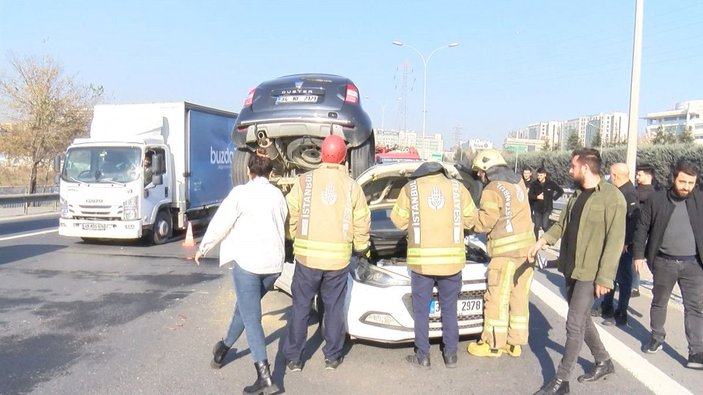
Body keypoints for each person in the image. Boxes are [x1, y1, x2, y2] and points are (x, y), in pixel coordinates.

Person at [528, 148, 626, 394]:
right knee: (582, 319)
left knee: (573, 324)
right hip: (571, 268)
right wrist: (542, 241)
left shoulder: (612, 198)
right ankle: (603, 361)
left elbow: (615, 241)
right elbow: (561, 224)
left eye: (572, 167)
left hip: (591, 272)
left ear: (585, 168)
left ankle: (562, 381)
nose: (569, 171)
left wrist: (605, 278)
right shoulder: (576, 195)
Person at [194, 151, 288, 395]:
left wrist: (203, 247)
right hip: (274, 267)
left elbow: (221, 222)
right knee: (244, 310)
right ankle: (222, 349)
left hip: (248, 265)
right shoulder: (278, 195)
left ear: (249, 171)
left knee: (251, 317)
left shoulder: (241, 193)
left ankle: (264, 377)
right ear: (271, 172)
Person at [282, 135, 371, 372]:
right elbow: (362, 221)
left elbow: (290, 213)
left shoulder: (304, 181)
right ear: (344, 158)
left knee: (300, 307)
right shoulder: (352, 186)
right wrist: (362, 248)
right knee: (333, 309)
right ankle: (332, 356)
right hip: (337, 262)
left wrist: (292, 239)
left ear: (321, 154)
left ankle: (294, 359)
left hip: (306, 259)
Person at [390, 162, 477, 368]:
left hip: (422, 263)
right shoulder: (458, 188)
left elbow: (397, 220)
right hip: (452, 263)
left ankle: (423, 355)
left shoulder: (410, 189)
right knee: (449, 308)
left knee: (421, 311)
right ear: (443, 172)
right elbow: (471, 219)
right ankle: (451, 355)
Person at [633, 160, 703, 370]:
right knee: (659, 302)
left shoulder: (699, 198)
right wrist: (638, 255)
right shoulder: (657, 199)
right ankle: (656, 336)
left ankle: (696, 350)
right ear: (674, 178)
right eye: (682, 181)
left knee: (695, 307)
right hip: (664, 262)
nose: (686, 187)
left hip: (694, 264)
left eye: (691, 183)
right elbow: (642, 227)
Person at [467, 149, 536, 358]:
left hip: (505, 254)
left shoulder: (492, 189)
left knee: (496, 297)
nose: (479, 176)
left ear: (488, 169)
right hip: (526, 252)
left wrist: (466, 222)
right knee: (519, 297)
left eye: (480, 172)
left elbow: (485, 221)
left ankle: (493, 344)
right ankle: (515, 344)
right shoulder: (518, 184)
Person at [599, 163, 639, 326]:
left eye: (611, 175)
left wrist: (626, 242)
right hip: (615, 241)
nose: (610, 178)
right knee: (610, 276)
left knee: (624, 280)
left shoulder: (629, 193)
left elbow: (633, 221)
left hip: (623, 245)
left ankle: (621, 313)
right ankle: (606, 306)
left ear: (616, 175)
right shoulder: (620, 191)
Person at [631, 163, 658, 297]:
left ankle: (635, 286)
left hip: (641, 231)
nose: (636, 177)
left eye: (639, 174)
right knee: (633, 258)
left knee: (637, 257)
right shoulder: (638, 190)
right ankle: (634, 285)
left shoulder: (649, 194)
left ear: (648, 176)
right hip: (636, 229)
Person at [528, 167, 564, 241]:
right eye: (538, 175)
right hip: (537, 208)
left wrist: (554, 198)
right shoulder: (534, 184)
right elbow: (530, 195)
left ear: (545, 175)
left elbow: (560, 191)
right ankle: (536, 241)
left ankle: (546, 240)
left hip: (547, 208)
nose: (539, 177)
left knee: (544, 226)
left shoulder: (551, 183)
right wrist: (537, 197)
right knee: (537, 226)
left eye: (541, 175)